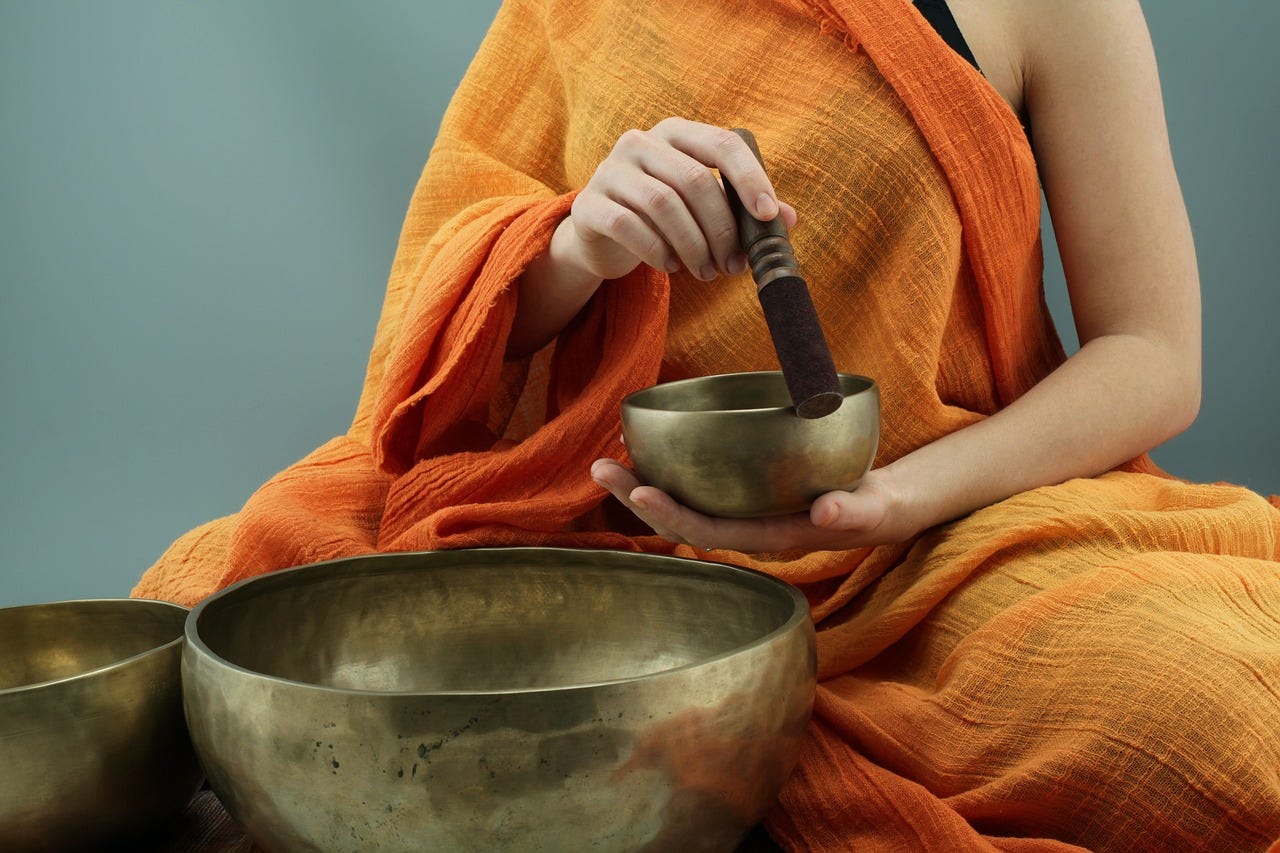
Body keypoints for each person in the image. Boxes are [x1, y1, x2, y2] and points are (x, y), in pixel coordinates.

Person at [135, 0, 1280, 849]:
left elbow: (1153, 355)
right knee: (195, 613)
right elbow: (427, 357)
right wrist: (581, 240)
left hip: (940, 546)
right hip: (590, 529)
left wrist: (891, 500)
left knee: (1211, 717)